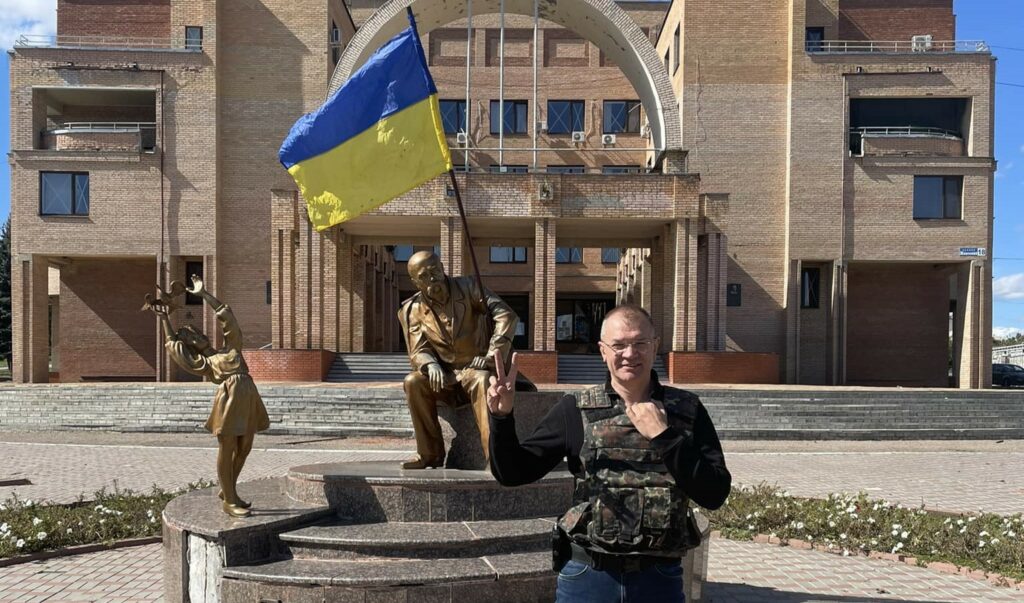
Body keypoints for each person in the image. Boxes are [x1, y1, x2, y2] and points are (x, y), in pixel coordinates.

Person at [487, 304, 731, 602]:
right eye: (619, 345)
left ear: (655, 346)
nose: (629, 354)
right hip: (588, 575)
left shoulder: (687, 410)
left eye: (639, 343)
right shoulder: (574, 410)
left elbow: (715, 493)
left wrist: (665, 436)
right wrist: (502, 418)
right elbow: (513, 473)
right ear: (603, 351)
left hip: (658, 579)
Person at [151, 275, 270, 518]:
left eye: (196, 332)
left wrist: (204, 294)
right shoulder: (206, 363)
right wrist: (165, 321)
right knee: (228, 447)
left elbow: (229, 320)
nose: (196, 335)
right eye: (190, 336)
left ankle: (227, 490)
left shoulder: (230, 349)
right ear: (192, 345)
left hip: (248, 398)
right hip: (228, 401)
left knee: (245, 447)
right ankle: (229, 499)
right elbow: (175, 348)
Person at [397, 250, 518, 469]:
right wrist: (430, 364)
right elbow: (417, 350)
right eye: (424, 276)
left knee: (483, 380)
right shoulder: (410, 310)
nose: (432, 278)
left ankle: (495, 459)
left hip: (475, 369)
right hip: (445, 376)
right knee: (412, 381)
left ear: (443, 268)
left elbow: (505, 315)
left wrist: (491, 356)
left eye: (435, 271)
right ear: (415, 282)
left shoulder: (470, 286)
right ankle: (430, 454)